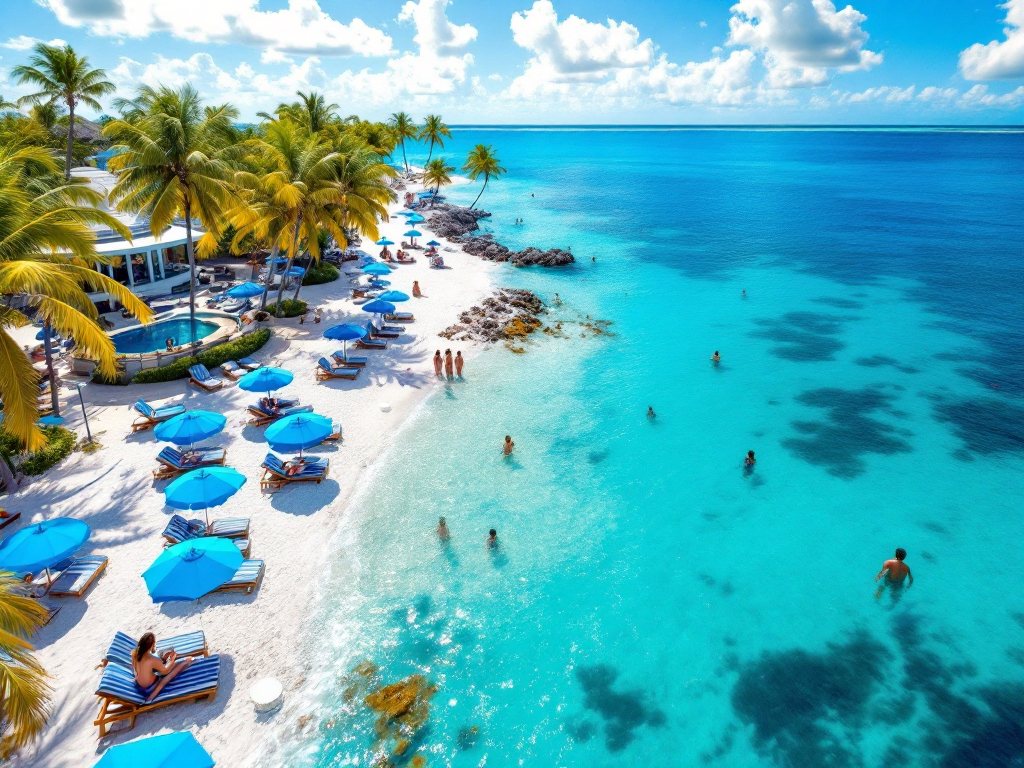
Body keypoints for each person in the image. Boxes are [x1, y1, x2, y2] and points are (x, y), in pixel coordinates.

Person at [132, 632, 193, 703]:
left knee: (160, 670)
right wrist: (172, 660)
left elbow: (135, 667)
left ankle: (184, 661)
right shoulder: (152, 659)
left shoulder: (135, 653)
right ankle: (151, 697)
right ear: (152, 644)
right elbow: (166, 671)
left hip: (139, 685)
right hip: (149, 689)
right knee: (169, 675)